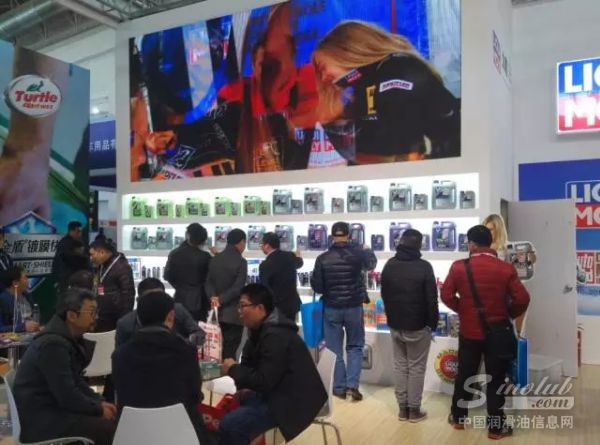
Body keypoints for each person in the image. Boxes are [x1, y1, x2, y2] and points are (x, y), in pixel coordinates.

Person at [312, 21, 460, 163]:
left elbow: (391, 146)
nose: (324, 77)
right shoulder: (367, 81)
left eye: (323, 67)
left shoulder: (396, 69)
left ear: (345, 52)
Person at [441, 225, 530, 440]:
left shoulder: (458, 267)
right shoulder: (505, 269)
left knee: (465, 374)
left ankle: (458, 418)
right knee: (496, 379)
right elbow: (523, 299)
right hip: (498, 332)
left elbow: (446, 295)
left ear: (472, 244)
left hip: (469, 332)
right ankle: (496, 428)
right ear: (490, 243)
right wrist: (508, 314)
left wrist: (463, 310)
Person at [220, 284, 327, 444]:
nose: (239, 311)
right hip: (280, 392)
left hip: (292, 402)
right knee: (238, 401)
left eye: (243, 306)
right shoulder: (260, 330)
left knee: (230, 425)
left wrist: (233, 369)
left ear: (260, 309)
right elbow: (252, 366)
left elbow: (264, 381)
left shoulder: (276, 336)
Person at [13, 288, 117, 445]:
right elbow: (67, 395)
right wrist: (98, 409)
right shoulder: (53, 345)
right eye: (92, 312)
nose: (96, 318)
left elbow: (76, 382)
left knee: (108, 419)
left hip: (49, 409)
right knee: (106, 428)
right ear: (72, 316)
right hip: (40, 421)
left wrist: (99, 402)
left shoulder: (63, 338)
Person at [112, 291, 213, 444]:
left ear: (138, 317)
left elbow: (120, 393)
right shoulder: (186, 350)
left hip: (132, 432)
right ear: (171, 316)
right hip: (180, 431)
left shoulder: (120, 354)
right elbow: (195, 394)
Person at [310, 222, 377, 401]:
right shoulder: (358, 255)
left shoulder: (323, 258)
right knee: (355, 346)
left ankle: (338, 388)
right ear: (349, 235)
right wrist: (366, 249)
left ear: (332, 236)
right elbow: (371, 264)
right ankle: (352, 386)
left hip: (332, 307)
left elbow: (318, 287)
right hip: (354, 307)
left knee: (334, 349)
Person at [380, 229, 439, 422]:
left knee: (400, 366)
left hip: (395, 324)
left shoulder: (390, 264)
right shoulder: (424, 267)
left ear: (401, 242)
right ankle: (414, 410)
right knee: (416, 368)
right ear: (419, 245)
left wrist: (391, 317)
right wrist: (432, 324)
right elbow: (432, 300)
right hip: (418, 325)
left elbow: (384, 294)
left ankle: (402, 409)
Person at [116, 278, 203, 346]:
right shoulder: (126, 324)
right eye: (150, 299)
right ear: (139, 301)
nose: (156, 303)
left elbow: (199, 335)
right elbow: (121, 356)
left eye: (160, 298)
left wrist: (180, 343)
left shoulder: (177, 310)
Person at [206, 228, 248, 360]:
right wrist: (221, 299)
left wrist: (214, 299)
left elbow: (208, 283)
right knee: (230, 352)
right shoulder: (241, 262)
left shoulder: (215, 259)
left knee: (213, 352)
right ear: (241, 242)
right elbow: (238, 288)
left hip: (215, 313)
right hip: (233, 314)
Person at [164, 223, 212, 321]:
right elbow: (210, 279)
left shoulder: (175, 253)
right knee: (198, 327)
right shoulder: (205, 256)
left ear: (188, 235)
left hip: (180, 298)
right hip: (200, 301)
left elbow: (167, 276)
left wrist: (180, 287)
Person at [89, 239, 135, 332]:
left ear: (102, 252)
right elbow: (101, 285)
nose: (91, 258)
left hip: (115, 315)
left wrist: (124, 319)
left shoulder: (122, 267)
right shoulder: (102, 265)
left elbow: (128, 294)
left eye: (92, 254)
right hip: (103, 313)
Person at [258, 231, 304, 322]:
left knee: (277, 330)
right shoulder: (290, 256)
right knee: (290, 328)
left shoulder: (265, 265)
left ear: (267, 246)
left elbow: (265, 288)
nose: (261, 247)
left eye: (261, 244)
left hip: (276, 307)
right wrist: (299, 257)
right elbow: (299, 263)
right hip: (291, 305)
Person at [52, 221, 90, 293]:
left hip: (80, 278)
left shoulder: (81, 243)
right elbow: (70, 259)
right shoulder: (64, 243)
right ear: (71, 231)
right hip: (67, 278)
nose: (80, 234)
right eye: (77, 231)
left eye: (81, 231)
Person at [0, 266, 40, 333]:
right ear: (15, 283)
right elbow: (1, 328)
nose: (28, 280)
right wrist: (23, 327)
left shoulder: (27, 296)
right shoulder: (2, 300)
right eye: (25, 278)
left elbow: (35, 316)